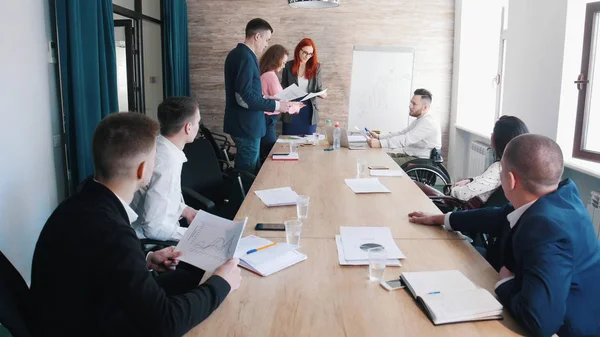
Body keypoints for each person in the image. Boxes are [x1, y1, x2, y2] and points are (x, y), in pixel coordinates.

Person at [30, 113, 242, 337]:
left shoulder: (83, 200)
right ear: (142, 170)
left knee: (191, 277)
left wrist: (147, 259)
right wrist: (222, 282)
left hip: (73, 310)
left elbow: (100, 261)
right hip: (89, 324)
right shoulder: (112, 231)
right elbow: (166, 323)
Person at [408, 134, 600, 337]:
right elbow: (499, 216)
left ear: (510, 180)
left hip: (571, 328)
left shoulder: (546, 228)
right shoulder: (562, 196)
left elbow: (540, 322)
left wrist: (505, 283)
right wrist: (442, 219)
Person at [223, 18, 303, 174]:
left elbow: (248, 94)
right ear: (257, 36)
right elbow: (245, 97)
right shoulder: (244, 57)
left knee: (249, 169)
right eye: (266, 40)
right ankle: (239, 199)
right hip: (246, 126)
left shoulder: (239, 54)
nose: (267, 44)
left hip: (245, 124)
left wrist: (270, 99)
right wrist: (279, 105)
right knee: (246, 172)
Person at [131, 97, 200, 241]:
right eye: (197, 122)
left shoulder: (158, 145)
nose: (198, 126)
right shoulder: (167, 162)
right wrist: (192, 235)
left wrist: (184, 210)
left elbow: (160, 197)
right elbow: (154, 229)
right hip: (147, 243)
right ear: (188, 127)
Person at [419, 116, 529, 205]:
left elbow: (463, 194)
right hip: (474, 202)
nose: (491, 135)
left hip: (462, 207)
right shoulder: (516, 168)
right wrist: (470, 180)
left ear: (501, 140)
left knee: (419, 187)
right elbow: (485, 182)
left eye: (493, 133)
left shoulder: (498, 169)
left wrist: (452, 188)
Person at [367, 88, 441, 167]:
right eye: (411, 102)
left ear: (425, 107)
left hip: (417, 161)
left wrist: (381, 144)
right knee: (380, 156)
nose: (410, 106)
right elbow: (402, 133)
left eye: (414, 104)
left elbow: (406, 139)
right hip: (410, 155)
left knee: (380, 161)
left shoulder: (428, 123)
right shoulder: (421, 120)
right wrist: (379, 137)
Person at [280, 38, 327, 136]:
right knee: (289, 141)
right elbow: (283, 86)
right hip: (291, 109)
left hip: (309, 109)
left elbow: (318, 88)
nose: (307, 56)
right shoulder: (288, 65)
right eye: (305, 52)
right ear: (298, 50)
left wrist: (322, 94)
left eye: (310, 54)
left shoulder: (316, 67)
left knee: (308, 143)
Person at [259, 44, 289, 161]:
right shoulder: (269, 76)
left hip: (266, 119)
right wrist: (294, 106)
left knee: (265, 152)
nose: (284, 66)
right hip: (268, 120)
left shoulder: (265, 74)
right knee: (269, 154)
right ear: (276, 59)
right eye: (284, 62)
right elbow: (279, 100)